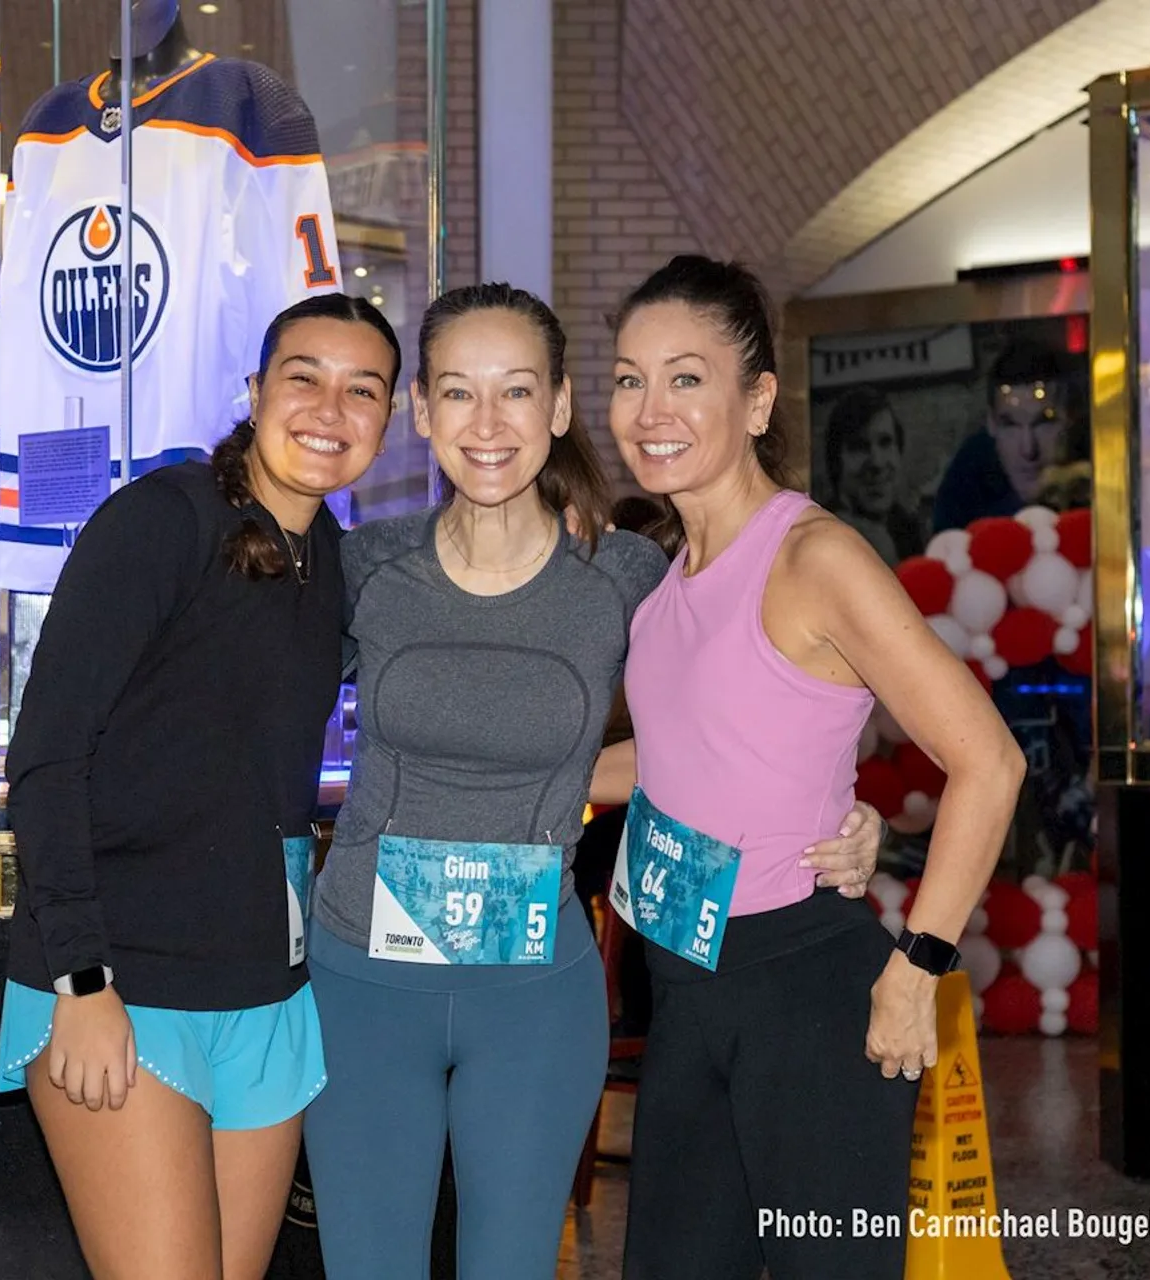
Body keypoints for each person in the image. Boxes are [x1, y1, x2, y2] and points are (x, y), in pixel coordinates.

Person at [299, 283, 886, 1280]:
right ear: (423, 414)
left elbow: (746, 711)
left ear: (560, 406)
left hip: (535, 993)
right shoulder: (363, 566)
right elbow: (243, 710)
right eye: (458, 393)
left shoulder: (626, 574)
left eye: (517, 391)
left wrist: (839, 799)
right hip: (363, 979)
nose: (488, 424)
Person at [603, 255, 1025, 1279]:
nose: (650, 407)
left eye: (686, 376)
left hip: (804, 990)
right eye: (627, 377)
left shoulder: (813, 558)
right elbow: (670, 761)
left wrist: (916, 968)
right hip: (686, 980)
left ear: (757, 400)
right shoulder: (671, 580)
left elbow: (990, 761)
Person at [0, 294, 401, 1280]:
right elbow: (46, 755)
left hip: (266, 994)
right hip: (119, 983)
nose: (329, 407)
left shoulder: (336, 565)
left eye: (363, 389)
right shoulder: (162, 520)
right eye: (304, 376)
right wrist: (80, 978)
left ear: (389, 420)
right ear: (255, 392)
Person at [931, 342, 1067, 533]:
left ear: (1071, 420)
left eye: (1043, 423)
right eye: (1010, 425)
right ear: (991, 424)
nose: (1028, 449)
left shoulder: (1100, 470)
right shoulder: (968, 479)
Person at [824, 385, 924, 565]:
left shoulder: (908, 530)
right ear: (836, 462)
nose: (877, 462)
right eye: (859, 447)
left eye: (885, 443)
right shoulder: (822, 538)